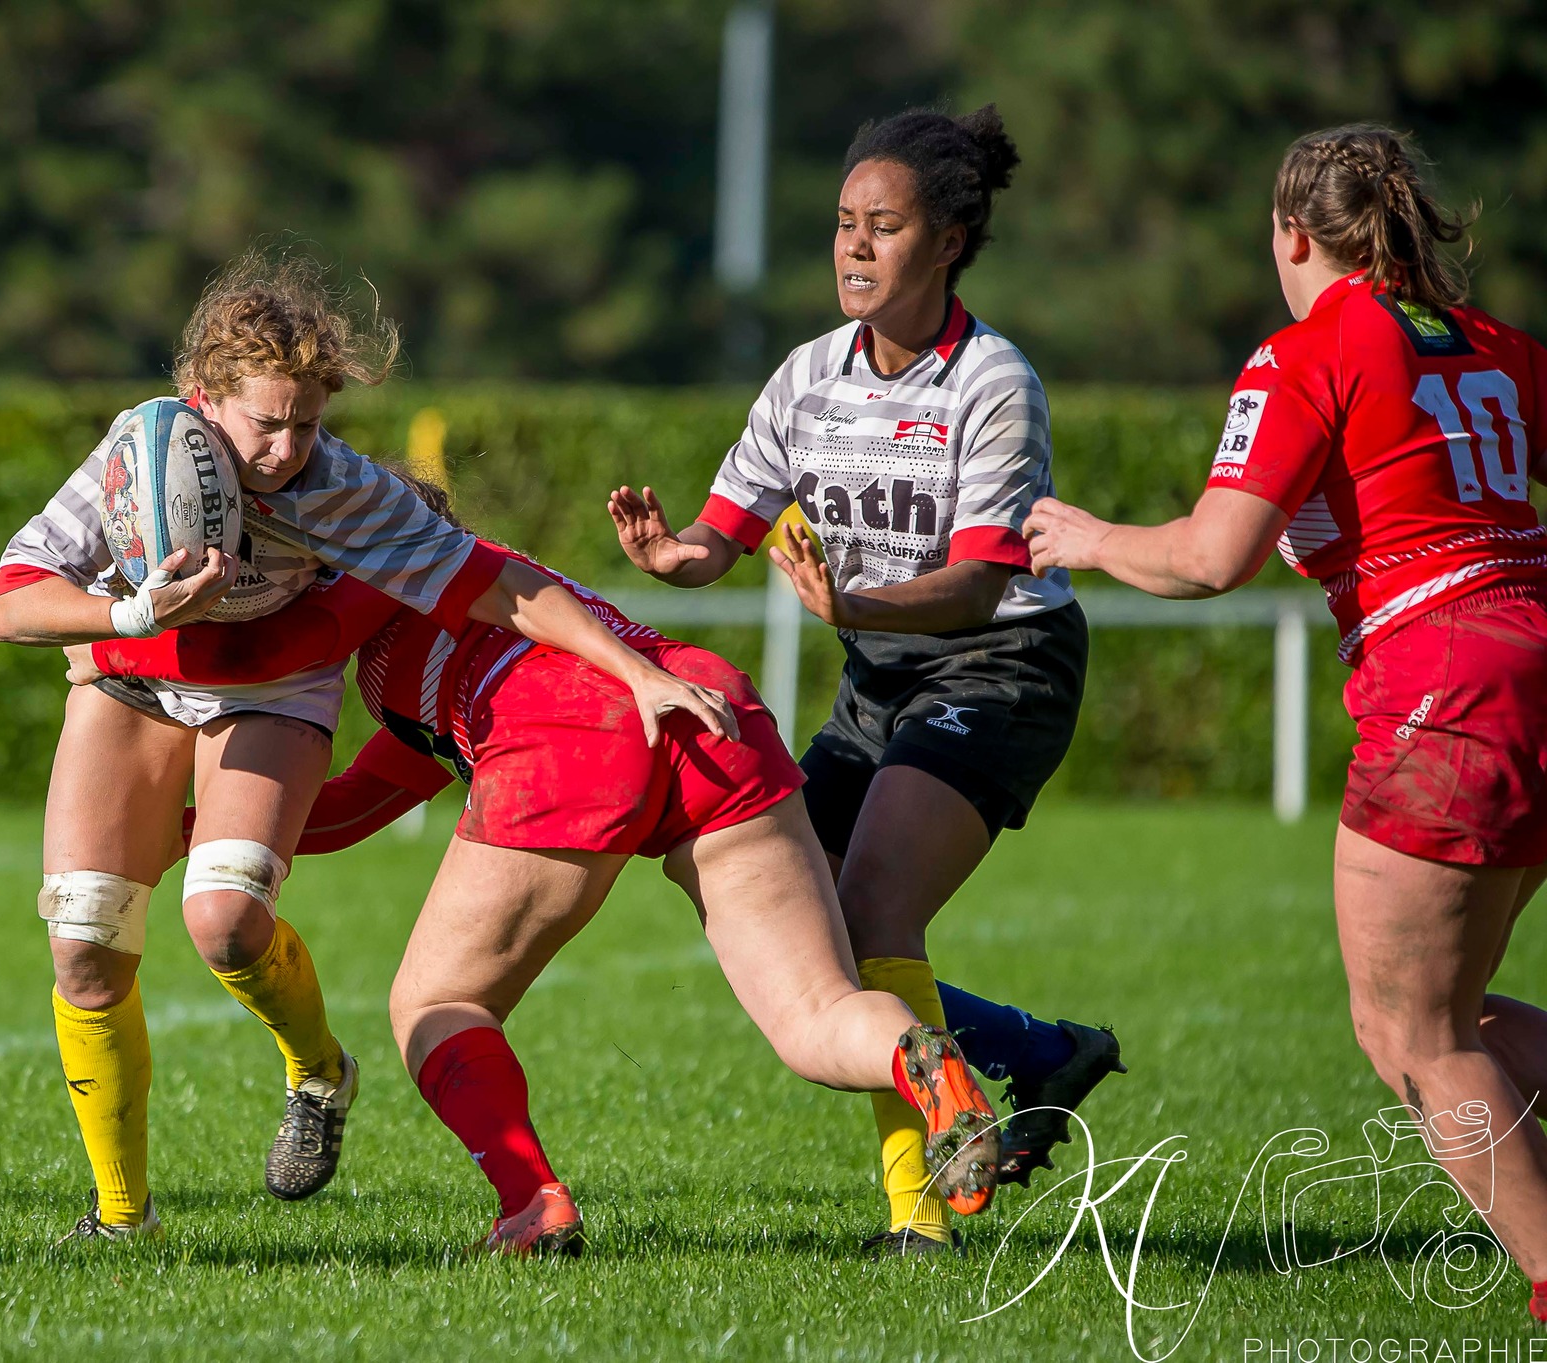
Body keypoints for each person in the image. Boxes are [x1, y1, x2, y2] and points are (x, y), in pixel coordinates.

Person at [0, 252, 737, 1242]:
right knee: (84, 938)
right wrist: (123, 609)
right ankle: (123, 1217)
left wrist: (636, 667)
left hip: (268, 697)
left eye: (307, 420)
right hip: (132, 682)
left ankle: (319, 1072)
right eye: (268, 420)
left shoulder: (337, 485)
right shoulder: (136, 451)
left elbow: (498, 581)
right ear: (202, 395)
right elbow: (9, 603)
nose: (289, 445)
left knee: (225, 922)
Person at [78, 484, 1002, 1257]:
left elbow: (276, 651)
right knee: (816, 1016)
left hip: (570, 730)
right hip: (700, 702)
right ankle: (914, 1055)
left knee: (434, 1005)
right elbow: (364, 800)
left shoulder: (390, 559)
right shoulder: (456, 615)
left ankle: (533, 1202)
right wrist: (204, 832)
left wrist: (105, 635)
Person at [1024, 124, 1547, 1326]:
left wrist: (1088, 536)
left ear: (1291, 234)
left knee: (1408, 1027)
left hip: (1448, 685)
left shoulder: (1307, 351)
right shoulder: (1499, 346)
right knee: (1453, 1009)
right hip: (1524, 662)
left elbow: (1212, 558)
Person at [607, 105, 1123, 1254]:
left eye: (880, 227)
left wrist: (852, 607)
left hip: (998, 666)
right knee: (769, 907)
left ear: (945, 241)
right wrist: (667, 555)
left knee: (873, 908)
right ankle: (1035, 1053)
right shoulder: (806, 376)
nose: (851, 247)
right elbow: (719, 533)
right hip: (877, 672)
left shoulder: (993, 382)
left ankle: (921, 1223)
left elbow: (981, 588)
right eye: (841, 223)